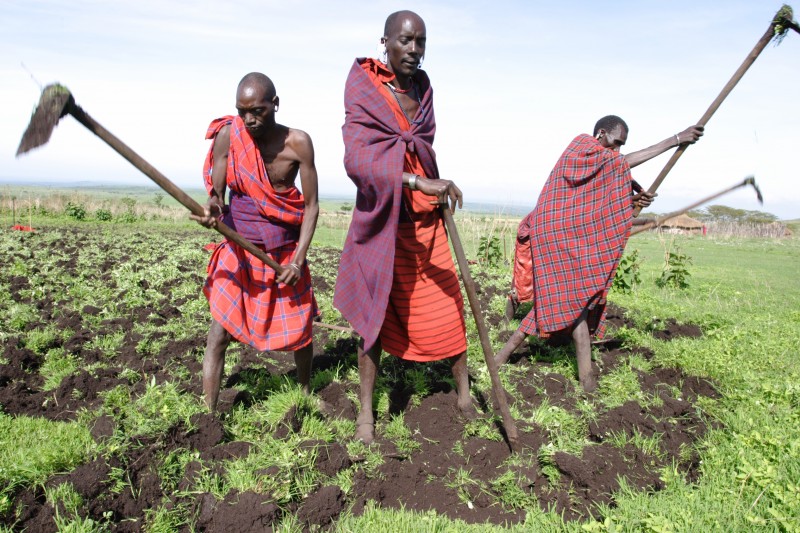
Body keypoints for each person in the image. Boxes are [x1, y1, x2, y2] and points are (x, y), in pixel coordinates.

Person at [333, 10, 472, 444]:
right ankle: (367, 418)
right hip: (382, 220)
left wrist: (431, 186)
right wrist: (415, 180)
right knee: (372, 319)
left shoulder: (424, 88)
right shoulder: (364, 88)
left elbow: (422, 146)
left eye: (421, 42)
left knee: (448, 305)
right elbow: (356, 160)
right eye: (406, 41)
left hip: (425, 220)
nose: (414, 50)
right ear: (385, 42)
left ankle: (465, 397)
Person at [496, 116, 703, 392]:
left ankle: (505, 359)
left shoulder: (602, 161)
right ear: (601, 133)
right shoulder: (581, 146)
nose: (616, 151)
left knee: (572, 300)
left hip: (571, 235)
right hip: (553, 233)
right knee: (571, 300)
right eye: (615, 143)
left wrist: (631, 199)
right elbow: (621, 163)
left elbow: (594, 202)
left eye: (621, 146)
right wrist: (675, 140)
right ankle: (584, 379)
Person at [191, 72, 320, 411]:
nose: (249, 119)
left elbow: (311, 206)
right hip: (238, 247)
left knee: (301, 330)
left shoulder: (298, 143)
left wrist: (299, 259)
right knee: (218, 332)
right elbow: (218, 196)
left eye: (258, 111)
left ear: (275, 105)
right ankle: (208, 413)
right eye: (242, 110)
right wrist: (212, 210)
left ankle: (304, 393)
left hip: (284, 251)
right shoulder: (229, 136)